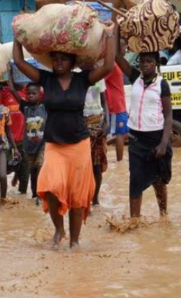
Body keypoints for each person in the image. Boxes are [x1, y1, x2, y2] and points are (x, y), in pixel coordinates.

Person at [13, 25, 118, 249]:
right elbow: (20, 63)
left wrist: (109, 35)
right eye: (55, 58)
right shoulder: (46, 80)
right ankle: (59, 230)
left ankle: (75, 241)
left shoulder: (83, 80)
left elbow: (108, 65)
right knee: (50, 186)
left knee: (78, 198)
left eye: (63, 58)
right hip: (54, 145)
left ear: (72, 61)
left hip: (79, 145)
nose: (58, 62)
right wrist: (18, 38)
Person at [115, 50, 174, 222]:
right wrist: (114, 29)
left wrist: (164, 144)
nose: (144, 64)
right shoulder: (135, 78)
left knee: (159, 181)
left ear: (156, 63)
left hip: (156, 139)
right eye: (141, 61)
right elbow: (118, 58)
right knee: (135, 181)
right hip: (136, 140)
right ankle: (135, 222)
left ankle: (163, 215)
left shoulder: (162, 85)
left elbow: (169, 116)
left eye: (148, 61)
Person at [16, 80, 47, 200]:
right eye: (28, 93)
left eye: (33, 93)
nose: (30, 95)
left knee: (40, 166)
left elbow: (50, 92)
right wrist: (10, 80)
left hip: (42, 144)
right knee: (32, 171)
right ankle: (34, 194)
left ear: (40, 95)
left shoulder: (44, 106)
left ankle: (40, 193)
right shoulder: (25, 107)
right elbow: (15, 92)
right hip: (29, 147)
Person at [84, 78, 108, 207]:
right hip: (82, 123)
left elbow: (104, 102)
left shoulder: (100, 78)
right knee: (83, 165)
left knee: (97, 165)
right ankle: (85, 199)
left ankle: (95, 199)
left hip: (98, 122)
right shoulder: (76, 76)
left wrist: (107, 122)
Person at [105, 53, 129, 163]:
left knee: (120, 133)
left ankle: (118, 161)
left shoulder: (112, 66)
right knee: (121, 133)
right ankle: (119, 161)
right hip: (117, 104)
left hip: (116, 104)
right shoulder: (114, 65)